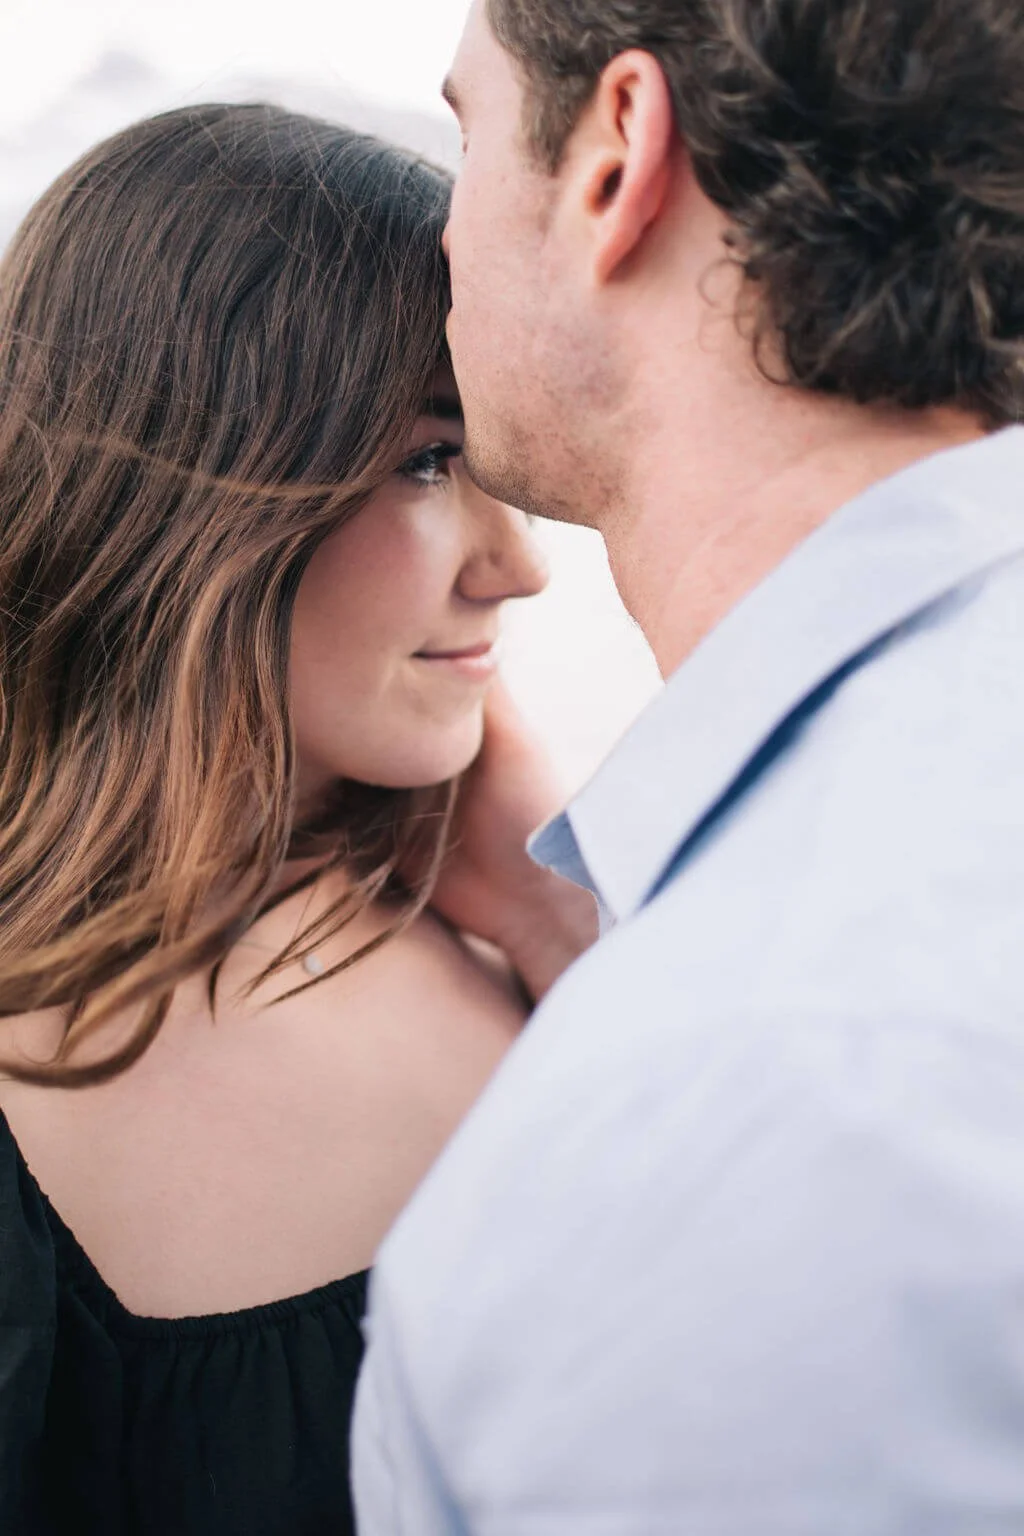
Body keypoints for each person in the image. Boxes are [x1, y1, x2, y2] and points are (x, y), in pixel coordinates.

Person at [352, 0, 1024, 1529]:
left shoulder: (719, 1137)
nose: (438, 236)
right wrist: (577, 938)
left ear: (615, 161)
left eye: (464, 132)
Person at [0, 101, 585, 1536]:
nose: (519, 567)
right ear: (183, 494)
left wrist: (556, 920)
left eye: (501, 466)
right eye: (433, 461)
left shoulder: (538, 962)